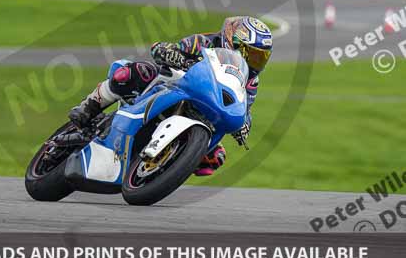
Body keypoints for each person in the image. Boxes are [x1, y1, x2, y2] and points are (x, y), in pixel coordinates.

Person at [68, 15, 273, 176]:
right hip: (174, 84)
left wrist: (244, 125)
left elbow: (244, 106)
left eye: (259, 57)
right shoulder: (206, 42)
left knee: (215, 158)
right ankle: (90, 105)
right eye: (249, 53)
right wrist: (172, 53)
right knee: (133, 72)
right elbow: (163, 48)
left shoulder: (250, 81)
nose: (253, 61)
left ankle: (171, 162)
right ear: (232, 42)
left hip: (205, 108)